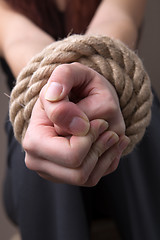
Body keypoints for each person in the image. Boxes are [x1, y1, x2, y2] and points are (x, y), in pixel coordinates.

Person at [0, 0, 160, 239]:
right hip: (34, 121)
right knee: (51, 129)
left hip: (124, 116)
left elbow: (117, 19)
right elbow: (18, 39)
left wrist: (97, 80)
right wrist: (55, 92)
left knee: (122, 122)